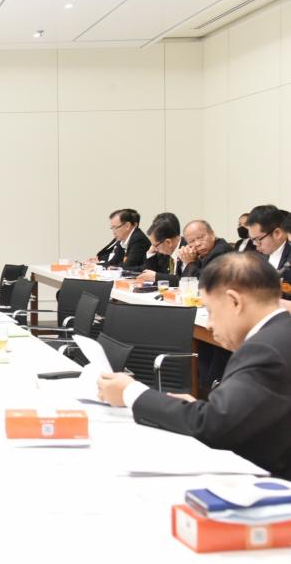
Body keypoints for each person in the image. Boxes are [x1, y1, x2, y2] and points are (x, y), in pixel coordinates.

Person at [98, 253, 291, 479]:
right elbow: (243, 414)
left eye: (210, 311)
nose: (208, 324)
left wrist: (130, 392)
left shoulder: (264, 349)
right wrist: (199, 408)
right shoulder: (279, 334)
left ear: (235, 302)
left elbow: (214, 426)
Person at [246, 205, 290, 302]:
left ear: (277, 233)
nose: (255, 244)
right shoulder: (258, 257)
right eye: (252, 240)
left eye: (258, 239)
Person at [136, 220, 185, 285]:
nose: (154, 248)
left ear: (168, 242)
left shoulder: (186, 250)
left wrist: (156, 277)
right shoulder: (166, 250)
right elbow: (148, 276)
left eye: (155, 245)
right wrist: (150, 254)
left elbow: (186, 280)